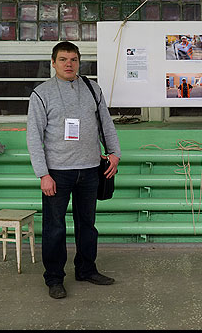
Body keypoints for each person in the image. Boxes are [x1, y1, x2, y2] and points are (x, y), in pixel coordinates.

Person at [26, 41, 121, 299]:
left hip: (90, 170)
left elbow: (106, 124)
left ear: (79, 62)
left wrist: (114, 153)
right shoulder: (41, 94)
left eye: (73, 60)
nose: (69, 64)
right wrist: (43, 174)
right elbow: (34, 137)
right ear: (53, 63)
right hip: (57, 172)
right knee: (55, 227)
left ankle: (86, 269)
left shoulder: (92, 89)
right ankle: (54, 278)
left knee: (87, 225)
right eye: (63, 59)